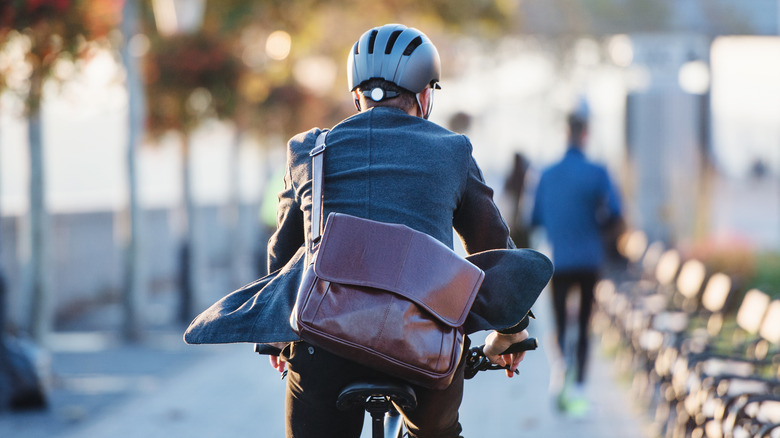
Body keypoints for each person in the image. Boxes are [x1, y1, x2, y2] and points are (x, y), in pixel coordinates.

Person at [184, 23, 553, 438]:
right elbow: (491, 248)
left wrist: (276, 339)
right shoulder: (452, 150)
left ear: (356, 94)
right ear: (425, 94)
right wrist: (511, 331)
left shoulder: (309, 150)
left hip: (323, 341)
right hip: (426, 344)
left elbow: (285, 255)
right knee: (437, 432)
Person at [531, 111, 623, 416]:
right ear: (585, 134)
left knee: (558, 322)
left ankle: (560, 374)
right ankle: (581, 387)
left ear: (564, 133)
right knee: (583, 323)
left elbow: (536, 218)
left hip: (558, 260)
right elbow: (615, 213)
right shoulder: (597, 172)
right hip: (589, 259)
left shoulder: (547, 173)